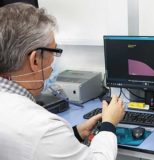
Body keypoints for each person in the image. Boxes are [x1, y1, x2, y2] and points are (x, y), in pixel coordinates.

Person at [0, 2, 125, 160]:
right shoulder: (43, 128)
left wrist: (73, 135)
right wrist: (109, 125)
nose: (54, 61)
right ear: (35, 61)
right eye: (54, 51)